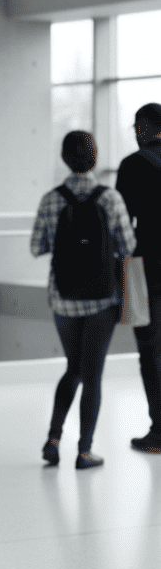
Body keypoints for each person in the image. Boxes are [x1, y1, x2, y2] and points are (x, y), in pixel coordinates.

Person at [31, 131, 135, 469]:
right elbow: (128, 246)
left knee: (73, 368)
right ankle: (85, 451)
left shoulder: (51, 199)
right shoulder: (110, 198)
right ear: (95, 157)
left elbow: (37, 247)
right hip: (102, 299)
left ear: (64, 158)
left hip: (63, 298)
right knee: (93, 375)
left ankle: (53, 439)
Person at [116, 103, 161, 453]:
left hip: (145, 269)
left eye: (136, 126)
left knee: (150, 350)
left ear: (145, 127)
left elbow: (121, 222)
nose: (134, 132)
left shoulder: (133, 164)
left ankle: (159, 431)